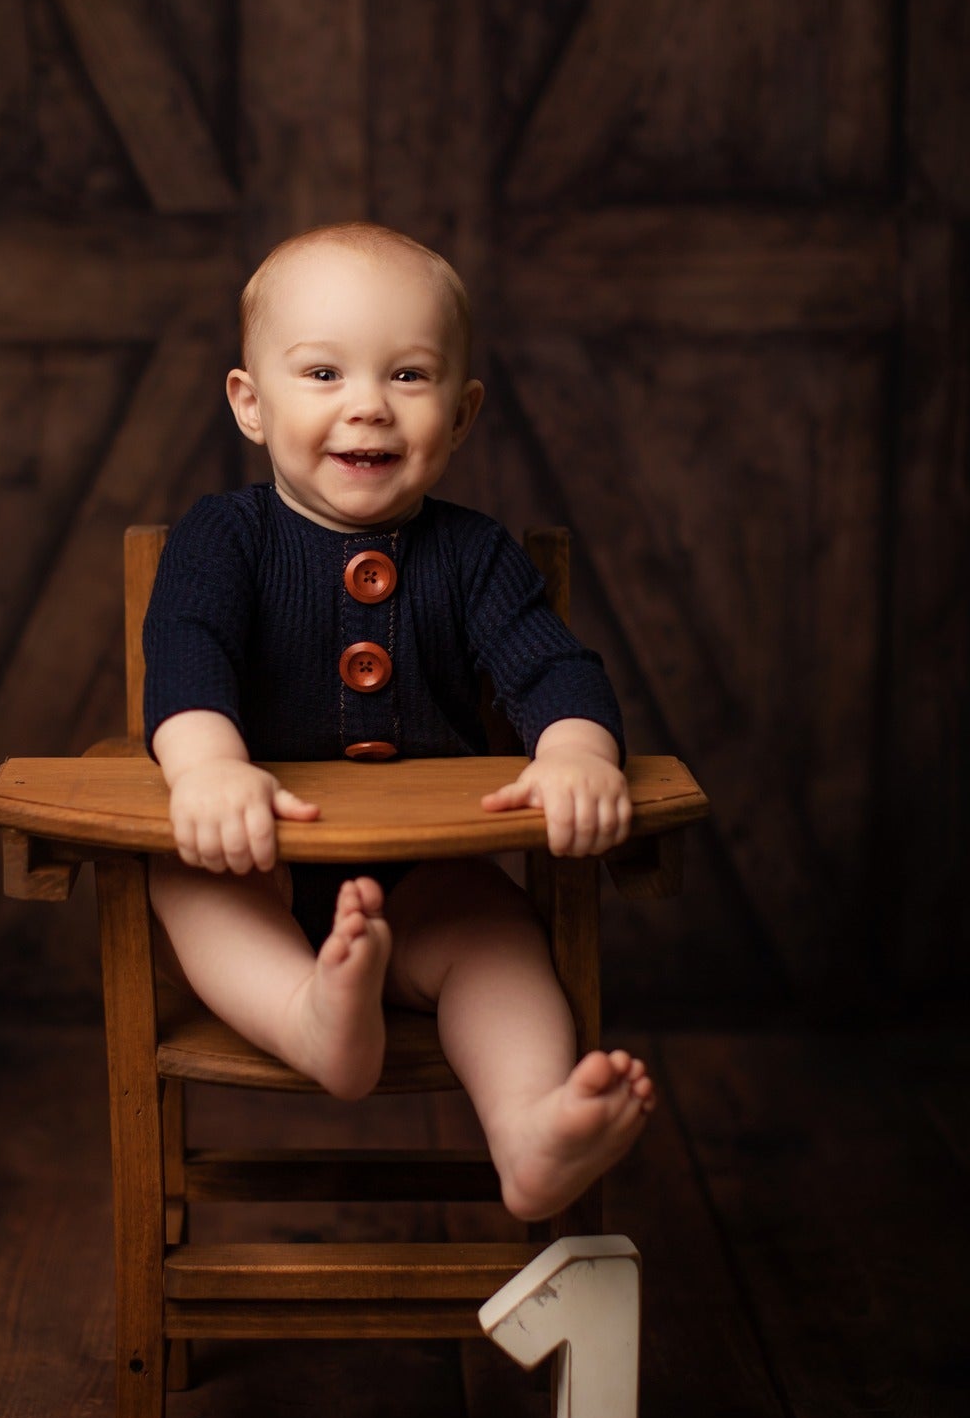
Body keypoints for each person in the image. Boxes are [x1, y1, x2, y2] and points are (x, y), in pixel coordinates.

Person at [142, 222, 655, 1221]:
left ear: (460, 414)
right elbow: (186, 646)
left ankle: (528, 1131)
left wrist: (574, 752)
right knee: (185, 878)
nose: (367, 404)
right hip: (258, 862)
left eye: (408, 376)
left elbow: (551, 664)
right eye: (323, 371)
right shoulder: (224, 539)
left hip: (428, 882)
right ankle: (310, 1016)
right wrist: (207, 766)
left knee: (495, 936)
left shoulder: (475, 556)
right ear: (250, 403)